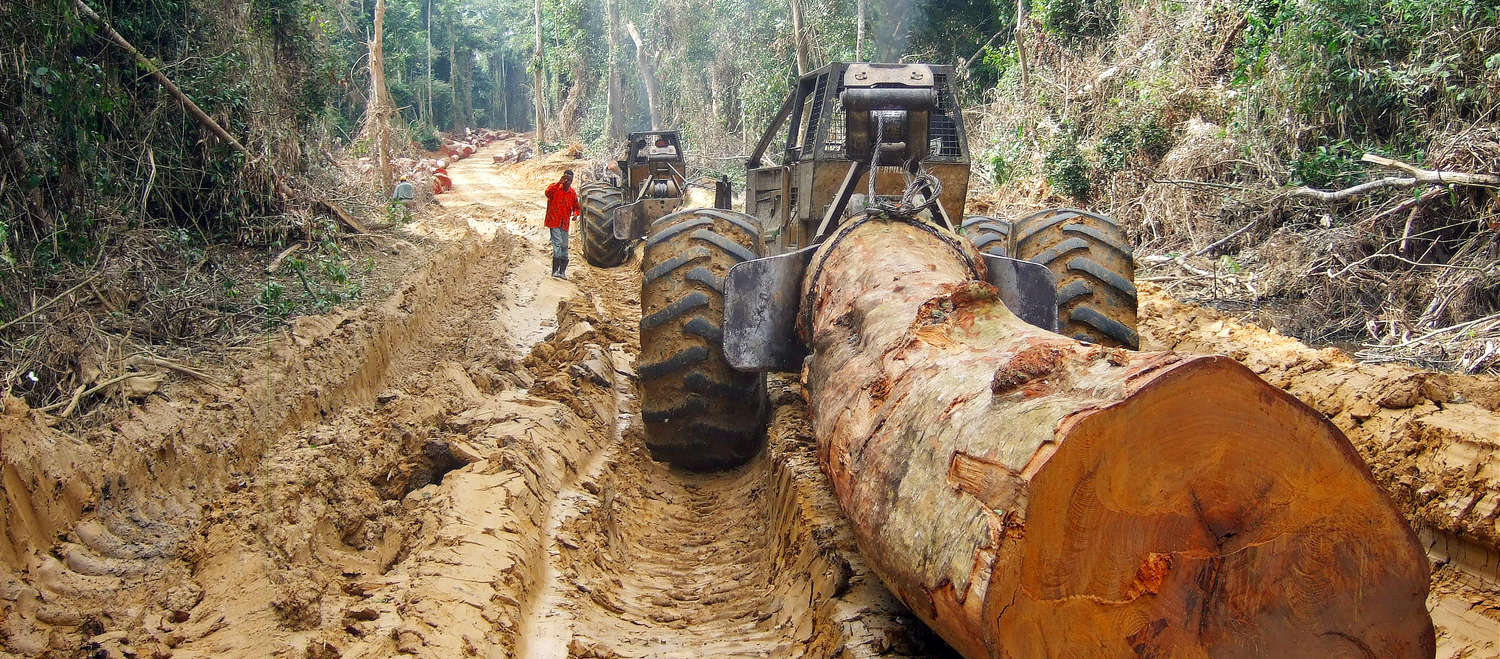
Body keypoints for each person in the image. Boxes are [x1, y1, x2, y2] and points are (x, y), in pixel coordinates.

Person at [543, 170, 581, 279]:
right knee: (558, 243)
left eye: (570, 180)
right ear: (563, 178)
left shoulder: (572, 193)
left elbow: (576, 207)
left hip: (564, 223)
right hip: (553, 221)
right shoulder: (554, 188)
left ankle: (562, 272)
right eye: (566, 179)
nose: (568, 182)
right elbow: (547, 193)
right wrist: (558, 183)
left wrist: (575, 214)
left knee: (564, 246)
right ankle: (555, 271)